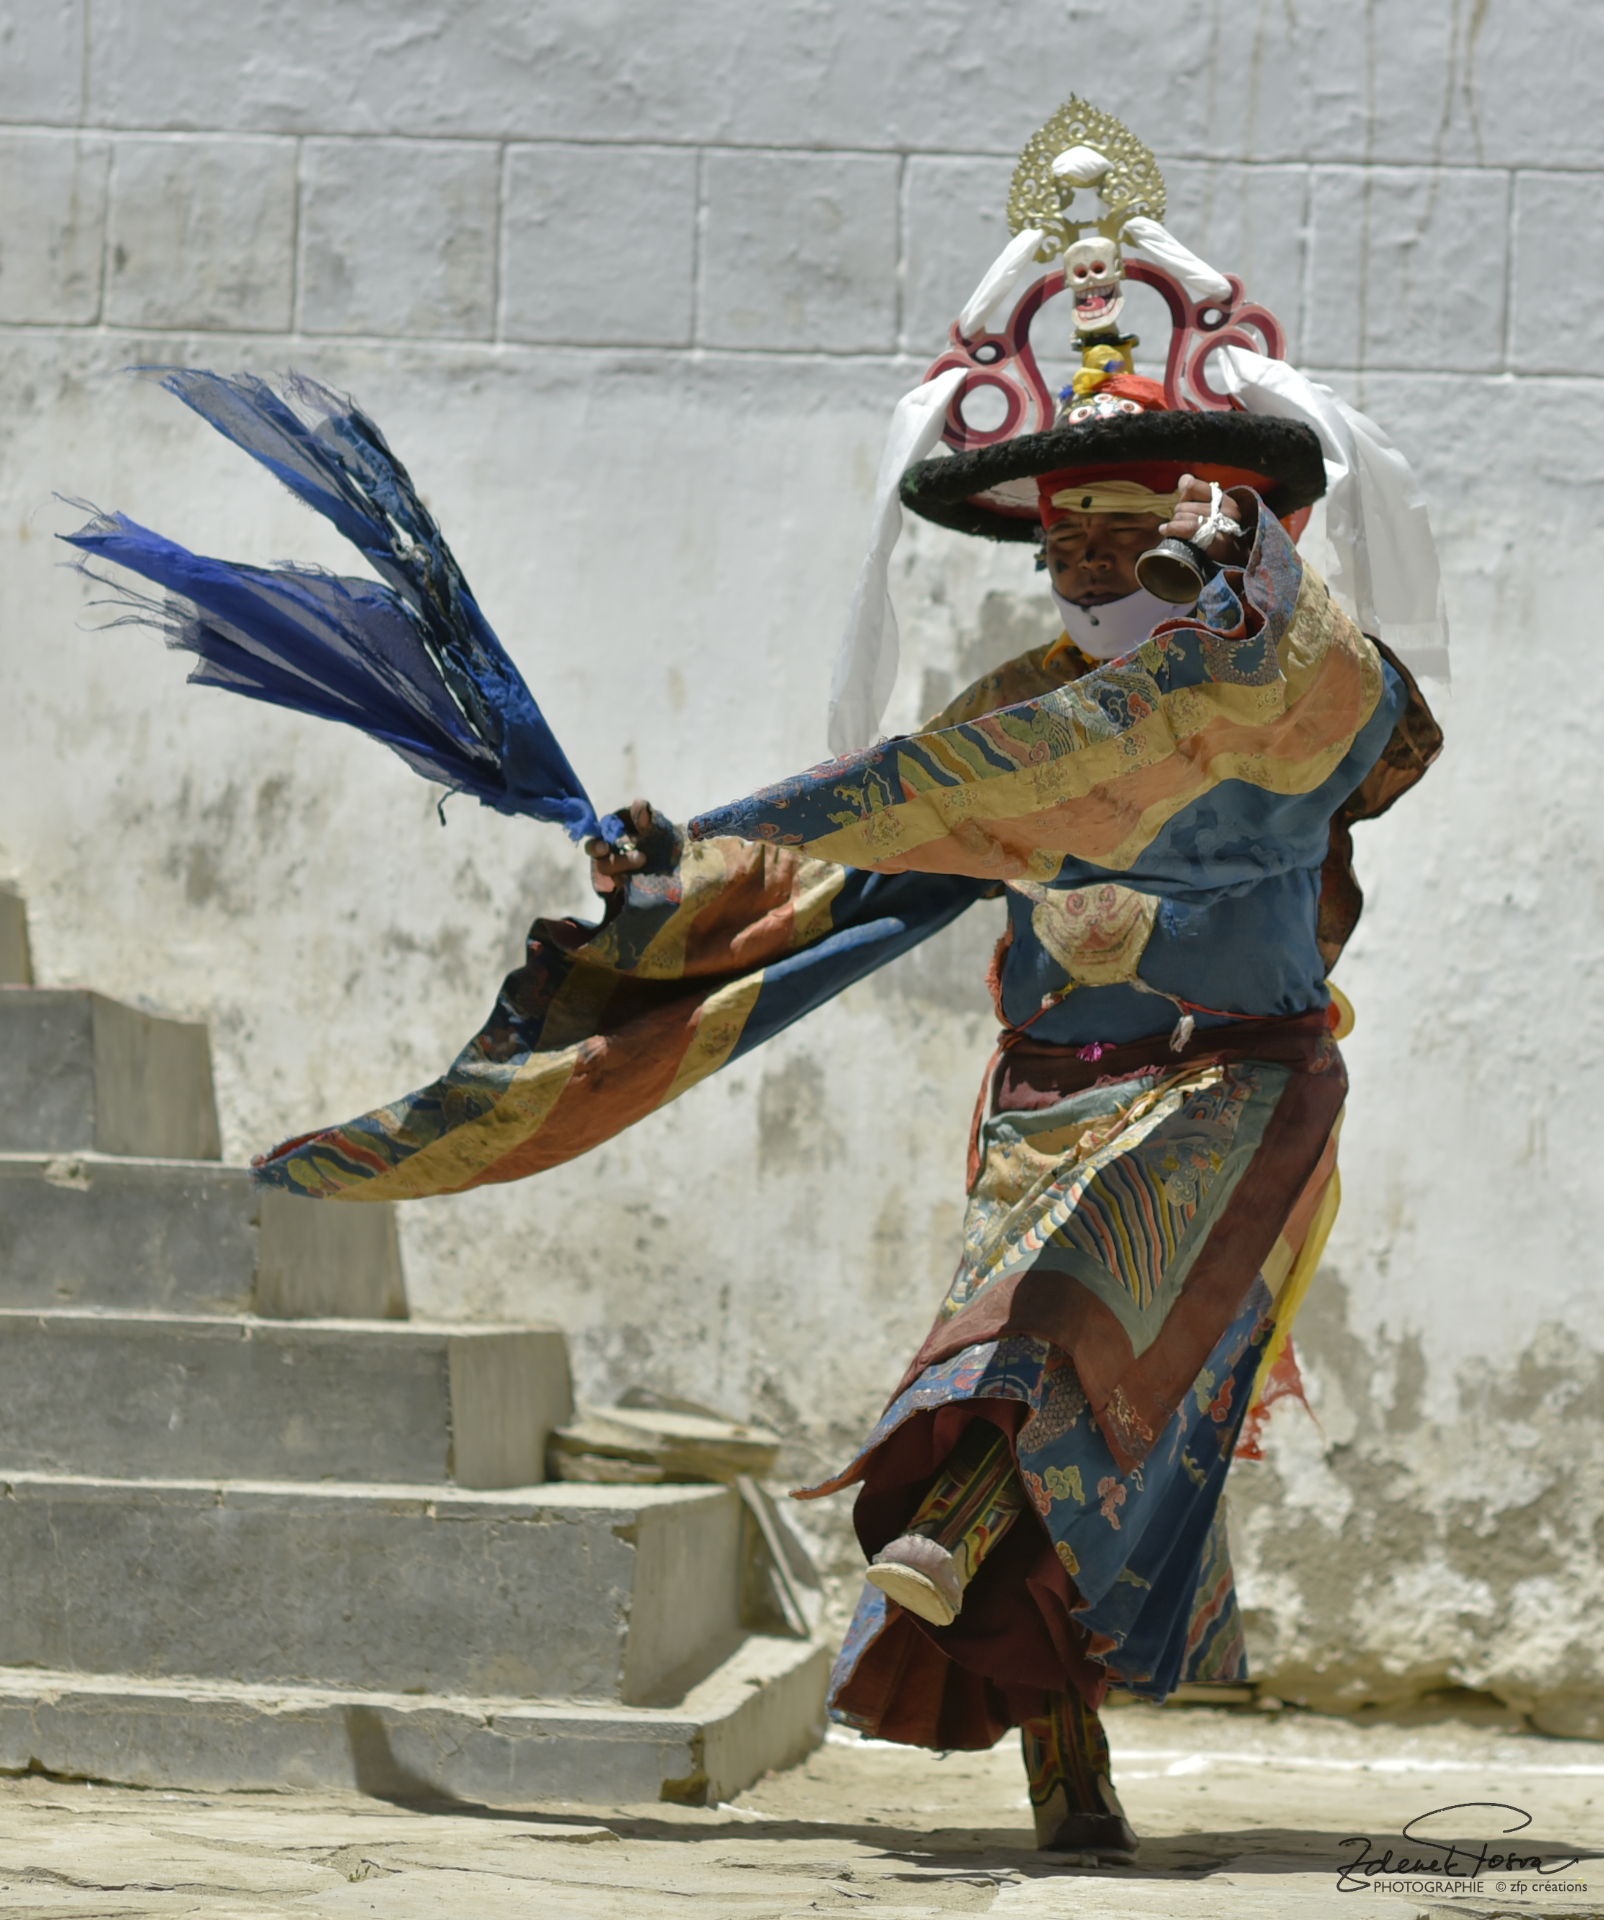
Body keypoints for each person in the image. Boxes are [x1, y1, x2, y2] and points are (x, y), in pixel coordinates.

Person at [69, 101, 1441, 1863]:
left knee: (1062, 1344)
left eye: (1131, 538)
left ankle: (948, 1519)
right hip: (1054, 1094)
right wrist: (676, 875)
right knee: (1045, 1384)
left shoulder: (1293, 687)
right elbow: (861, 845)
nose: (1097, 569)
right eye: (1070, 546)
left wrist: (1255, 604)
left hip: (1239, 1086)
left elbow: (1390, 740)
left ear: (1218, 529)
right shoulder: (1013, 718)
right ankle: (1064, 1756)